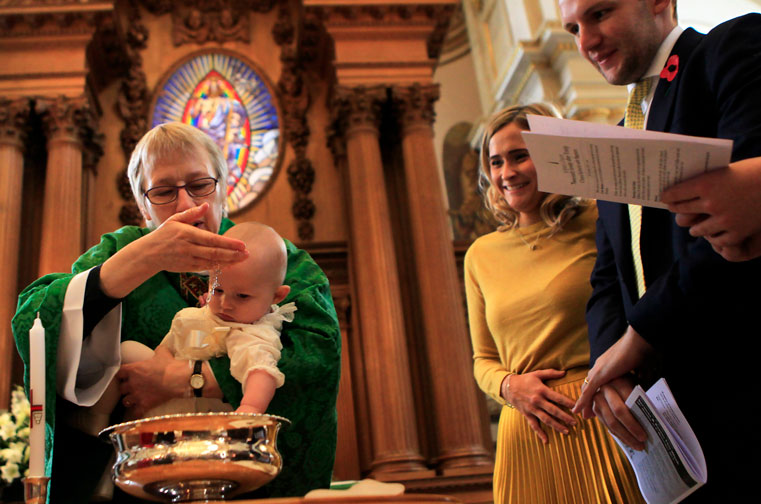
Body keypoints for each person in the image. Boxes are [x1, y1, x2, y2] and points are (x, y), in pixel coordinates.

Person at [11, 122, 341, 503]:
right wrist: (132, 265)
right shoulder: (122, 253)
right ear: (142, 205)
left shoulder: (274, 259)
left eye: (200, 185)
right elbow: (32, 323)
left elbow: (317, 354)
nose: (186, 205)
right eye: (164, 191)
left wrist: (185, 378)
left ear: (222, 188)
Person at [559, 0, 761, 497]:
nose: (586, 42)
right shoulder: (615, 143)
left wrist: (640, 335)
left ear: (658, 2)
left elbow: (734, 223)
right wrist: (609, 367)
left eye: (600, 13)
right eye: (573, 29)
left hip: (744, 388)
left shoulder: (727, 51)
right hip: (664, 422)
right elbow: (606, 278)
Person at [464, 103, 643, 503]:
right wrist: (510, 387)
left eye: (519, 156)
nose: (506, 173)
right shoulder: (480, 254)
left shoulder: (600, 218)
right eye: (495, 162)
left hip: (601, 410)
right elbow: (482, 359)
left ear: (552, 152)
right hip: (525, 432)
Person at [79, 221, 296, 432]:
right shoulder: (215, 311)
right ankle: (97, 420)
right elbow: (186, 337)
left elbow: (261, 373)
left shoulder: (252, 333)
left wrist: (249, 411)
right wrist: (160, 361)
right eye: (218, 290)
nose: (225, 304)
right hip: (161, 392)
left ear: (276, 296)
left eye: (242, 296)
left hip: (193, 417)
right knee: (127, 351)